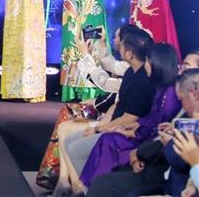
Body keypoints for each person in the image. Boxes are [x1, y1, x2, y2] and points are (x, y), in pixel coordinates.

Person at [52, 25, 156, 195]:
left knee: (74, 144)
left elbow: (108, 86)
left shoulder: (142, 78)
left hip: (122, 129)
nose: (116, 43)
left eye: (119, 40)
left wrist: (100, 128)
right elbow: (111, 69)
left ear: (129, 52)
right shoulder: (131, 71)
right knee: (68, 138)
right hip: (112, 121)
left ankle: (83, 187)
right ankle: (76, 184)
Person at [36, 25, 130, 190]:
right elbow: (113, 66)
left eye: (116, 38)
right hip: (110, 116)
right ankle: (64, 179)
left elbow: (105, 83)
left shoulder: (136, 75)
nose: (114, 41)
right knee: (67, 117)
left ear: (127, 48)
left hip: (115, 123)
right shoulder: (133, 69)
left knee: (67, 124)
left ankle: (72, 183)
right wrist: (100, 45)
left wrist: (86, 55)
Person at [80, 43, 182, 189]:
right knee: (108, 139)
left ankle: (95, 186)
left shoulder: (170, 93)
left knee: (109, 141)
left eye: (148, 62)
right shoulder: (160, 87)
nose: (145, 66)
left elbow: (159, 124)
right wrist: (137, 125)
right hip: (144, 133)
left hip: (150, 141)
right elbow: (151, 118)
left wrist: (134, 132)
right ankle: (91, 186)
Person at [87, 65, 199, 197]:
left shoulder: (171, 95)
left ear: (194, 94)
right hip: (161, 167)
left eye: (182, 100)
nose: (182, 69)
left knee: (108, 152)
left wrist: (166, 144)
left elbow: (178, 156)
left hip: (164, 173)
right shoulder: (176, 104)